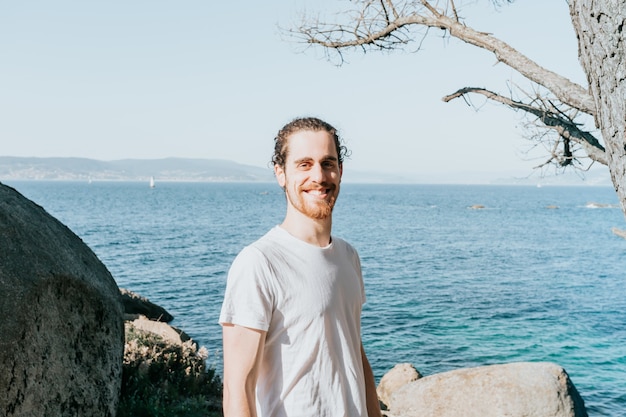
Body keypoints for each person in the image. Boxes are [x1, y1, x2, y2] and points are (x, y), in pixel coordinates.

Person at [219, 117, 382, 417]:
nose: (319, 176)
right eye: (304, 164)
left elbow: (354, 353)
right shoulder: (260, 262)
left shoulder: (348, 256)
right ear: (281, 173)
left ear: (341, 171)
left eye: (327, 163)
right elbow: (237, 387)